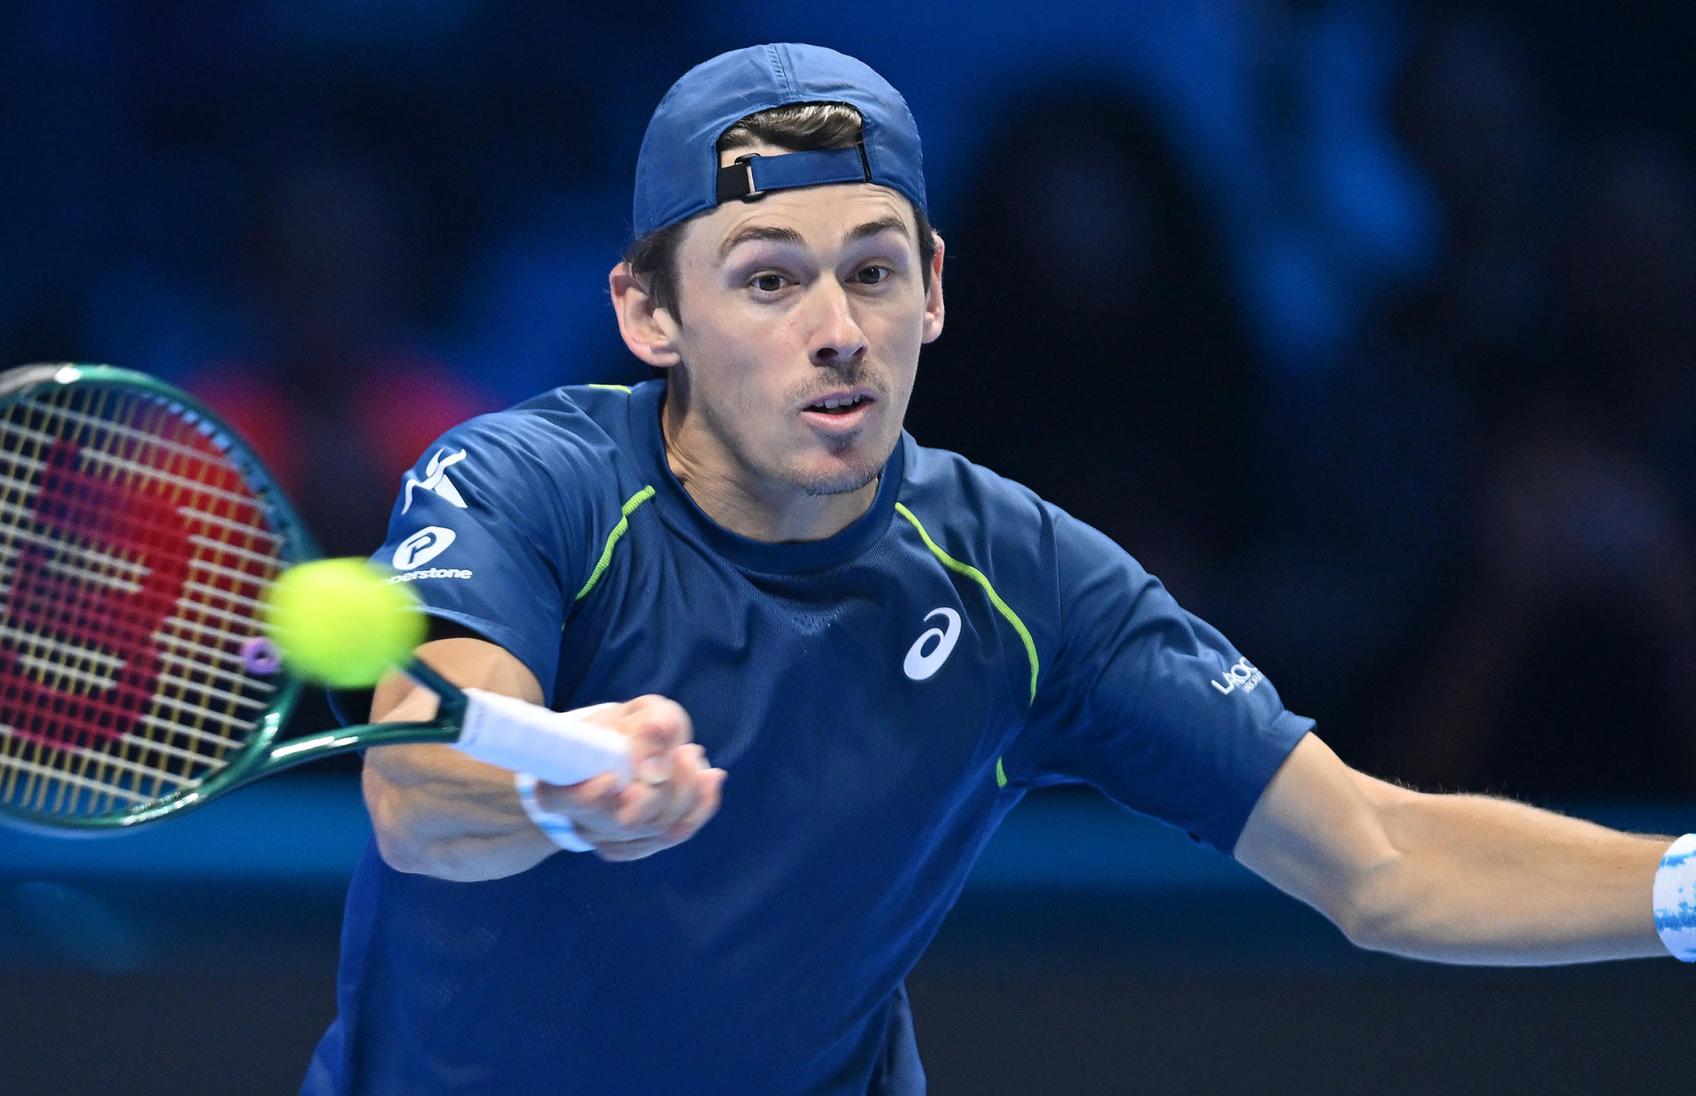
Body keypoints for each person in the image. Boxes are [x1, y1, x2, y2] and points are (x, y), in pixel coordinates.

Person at [302, 44, 1693, 1095]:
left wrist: (1681, 891)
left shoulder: (1019, 580)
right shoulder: (524, 481)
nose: (839, 329)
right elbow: (421, 786)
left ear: (938, 290)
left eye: (875, 270)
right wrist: (566, 785)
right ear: (648, 312)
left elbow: (1379, 859)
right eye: (769, 279)